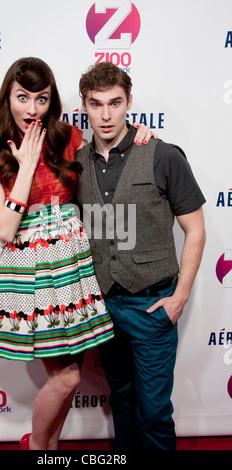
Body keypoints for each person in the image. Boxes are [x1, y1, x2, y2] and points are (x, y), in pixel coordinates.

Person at [0, 57, 153, 450]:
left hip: (74, 268)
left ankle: (47, 449)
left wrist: (139, 135)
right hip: (33, 273)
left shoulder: (65, 137)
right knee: (66, 378)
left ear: (51, 101)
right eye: (22, 97)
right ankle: (36, 446)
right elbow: (3, 228)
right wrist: (27, 167)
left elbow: (109, 149)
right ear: (7, 98)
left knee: (71, 376)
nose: (31, 109)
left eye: (42, 98)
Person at [75, 61, 206, 451]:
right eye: (96, 104)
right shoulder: (77, 163)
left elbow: (195, 230)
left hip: (152, 305)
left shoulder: (163, 155)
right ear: (85, 105)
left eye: (115, 103)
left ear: (129, 102)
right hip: (104, 305)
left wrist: (179, 298)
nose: (106, 114)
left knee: (153, 412)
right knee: (123, 401)